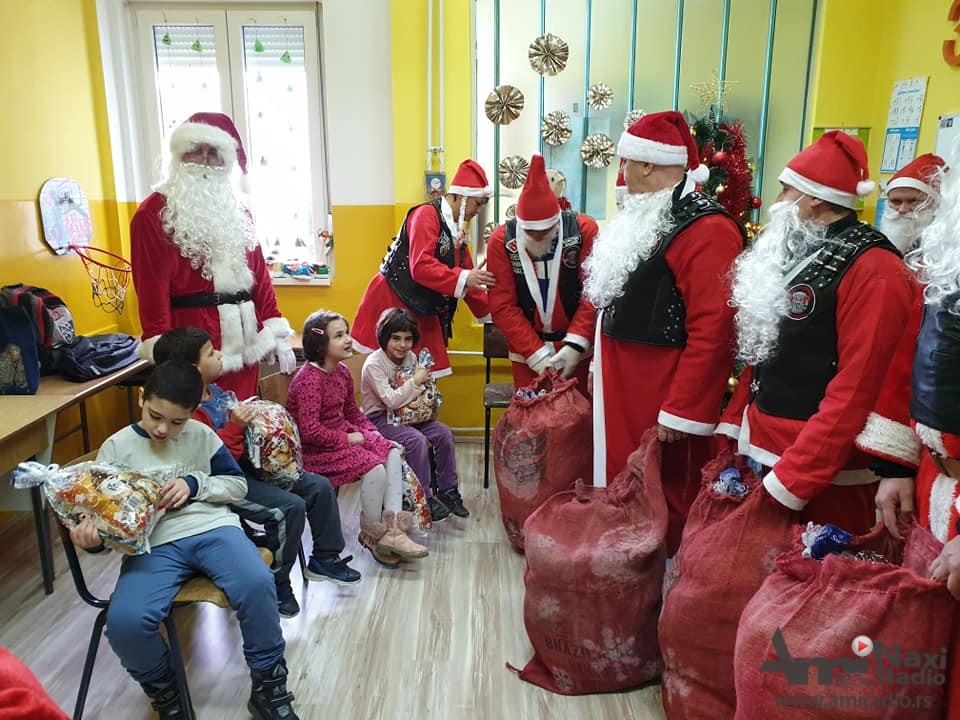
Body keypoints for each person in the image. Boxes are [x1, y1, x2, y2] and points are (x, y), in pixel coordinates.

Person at [67, 361, 298, 720]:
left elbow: (236, 486)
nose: (163, 429)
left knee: (256, 583)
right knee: (125, 621)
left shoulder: (201, 435)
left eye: (177, 422)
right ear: (141, 398)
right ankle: (167, 697)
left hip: (214, 529)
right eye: (155, 416)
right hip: (153, 546)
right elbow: (107, 519)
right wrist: (93, 540)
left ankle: (269, 686)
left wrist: (195, 484)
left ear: (193, 412)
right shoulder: (116, 448)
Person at [719, 131, 915, 535]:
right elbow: (765, 349)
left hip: (823, 473)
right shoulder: (801, 250)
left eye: (785, 190)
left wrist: (795, 478)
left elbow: (859, 386)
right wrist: (735, 424)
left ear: (815, 199)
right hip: (768, 449)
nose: (775, 202)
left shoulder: (876, 270)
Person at [583, 111, 744, 555]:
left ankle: (659, 577)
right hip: (624, 383)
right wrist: (597, 363)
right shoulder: (648, 215)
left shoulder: (706, 227)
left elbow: (714, 328)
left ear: (648, 163)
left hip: (660, 389)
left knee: (661, 491)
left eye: (626, 162)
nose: (622, 173)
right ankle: (622, 564)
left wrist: (682, 408)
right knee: (625, 481)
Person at [152, 327, 361, 618]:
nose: (220, 355)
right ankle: (275, 583)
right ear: (191, 368)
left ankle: (325, 558)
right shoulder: (187, 412)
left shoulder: (215, 392)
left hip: (247, 468)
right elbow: (209, 462)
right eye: (211, 353)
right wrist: (236, 426)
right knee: (288, 509)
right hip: (220, 482)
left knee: (319, 486)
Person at [131, 112, 297, 401]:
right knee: (203, 422)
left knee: (244, 417)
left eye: (215, 152)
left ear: (226, 161)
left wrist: (276, 331)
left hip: (246, 345)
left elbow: (260, 277)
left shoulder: (239, 212)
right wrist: (166, 353)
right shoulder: (153, 214)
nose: (205, 160)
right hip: (195, 350)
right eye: (196, 150)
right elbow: (150, 291)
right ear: (180, 154)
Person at [286, 310, 428, 566]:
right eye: (339, 335)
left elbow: (352, 411)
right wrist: (348, 439)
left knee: (392, 450)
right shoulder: (309, 380)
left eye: (347, 333)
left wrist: (371, 431)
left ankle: (393, 531)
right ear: (320, 344)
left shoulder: (341, 371)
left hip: (343, 436)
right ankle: (372, 533)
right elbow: (310, 431)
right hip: (315, 450)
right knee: (374, 468)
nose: (348, 339)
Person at [854, 154, 945, 538]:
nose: (904, 210)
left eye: (915, 202)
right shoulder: (881, 254)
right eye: (896, 202)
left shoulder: (942, 265)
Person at [352, 160, 496, 377]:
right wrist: (465, 277)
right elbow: (421, 266)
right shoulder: (426, 215)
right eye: (477, 203)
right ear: (461, 197)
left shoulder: (455, 229)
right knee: (389, 378)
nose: (478, 210)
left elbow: (468, 279)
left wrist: (497, 315)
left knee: (422, 379)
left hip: (421, 305)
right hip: (393, 300)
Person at [487, 154, 598, 390]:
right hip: (527, 354)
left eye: (545, 231)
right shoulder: (501, 241)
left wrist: (576, 343)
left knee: (578, 413)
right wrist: (535, 354)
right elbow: (502, 305)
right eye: (530, 233)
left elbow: (593, 293)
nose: (537, 238)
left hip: (576, 352)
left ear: (557, 221)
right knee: (531, 413)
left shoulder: (583, 232)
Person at [360, 308, 467, 522]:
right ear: (384, 337)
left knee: (444, 433)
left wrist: (426, 387)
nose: (402, 344)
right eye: (396, 338)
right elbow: (391, 400)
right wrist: (416, 381)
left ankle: (448, 490)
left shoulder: (411, 357)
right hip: (381, 418)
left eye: (408, 339)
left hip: (411, 415)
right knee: (416, 441)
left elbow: (419, 393)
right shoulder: (374, 364)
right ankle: (424, 499)